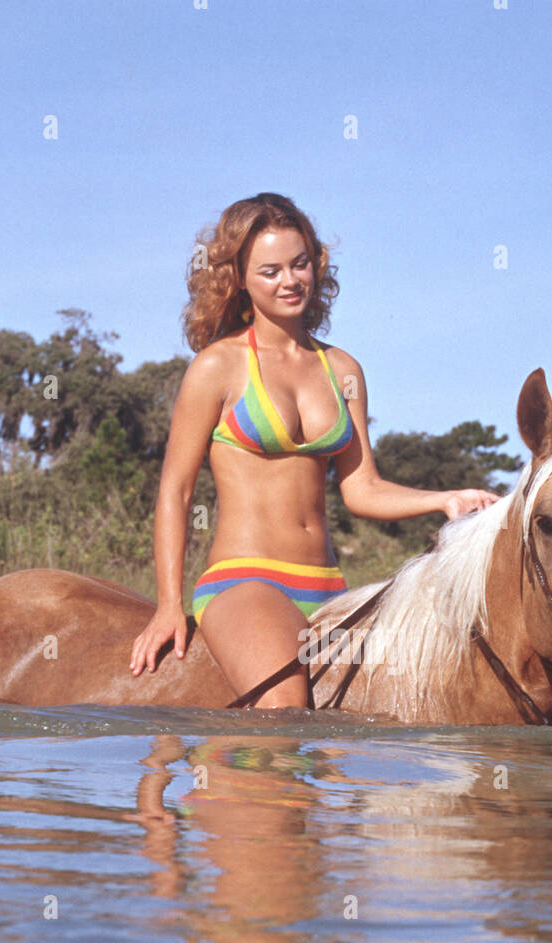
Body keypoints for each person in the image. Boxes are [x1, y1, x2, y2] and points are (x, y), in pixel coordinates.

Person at [129, 192, 499, 707]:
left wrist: (444, 500)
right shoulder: (218, 367)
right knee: (285, 715)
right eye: (270, 270)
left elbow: (363, 489)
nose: (290, 281)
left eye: (300, 264)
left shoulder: (343, 370)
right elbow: (176, 489)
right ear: (238, 279)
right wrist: (168, 604)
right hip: (246, 582)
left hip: (330, 590)